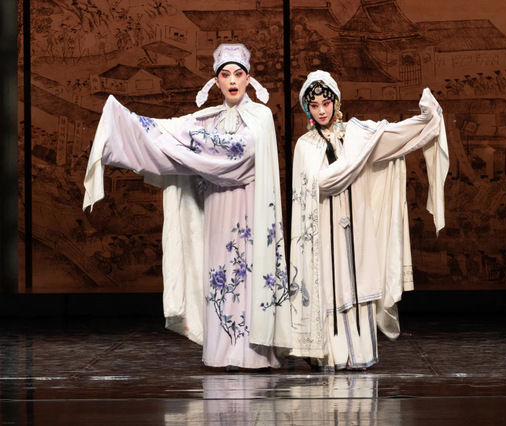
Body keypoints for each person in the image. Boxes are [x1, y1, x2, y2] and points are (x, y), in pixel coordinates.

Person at [83, 43, 291, 369]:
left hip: (249, 211)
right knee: (220, 277)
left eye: (238, 74)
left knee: (248, 276)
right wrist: (127, 123)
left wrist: (192, 145)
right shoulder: (207, 119)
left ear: (248, 79)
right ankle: (221, 352)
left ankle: (253, 354)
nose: (232, 80)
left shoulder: (260, 117)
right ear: (216, 81)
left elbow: (236, 153)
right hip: (218, 211)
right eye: (225, 74)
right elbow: (171, 132)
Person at [289, 70, 448, 370]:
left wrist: (425, 120)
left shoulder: (357, 135)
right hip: (325, 229)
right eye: (315, 105)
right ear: (307, 109)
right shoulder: (305, 146)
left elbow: (393, 136)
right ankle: (332, 354)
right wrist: (354, 161)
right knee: (331, 283)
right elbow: (319, 183)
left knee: (357, 280)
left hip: (357, 223)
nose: (321, 111)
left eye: (326, 103)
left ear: (336, 103)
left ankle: (359, 353)